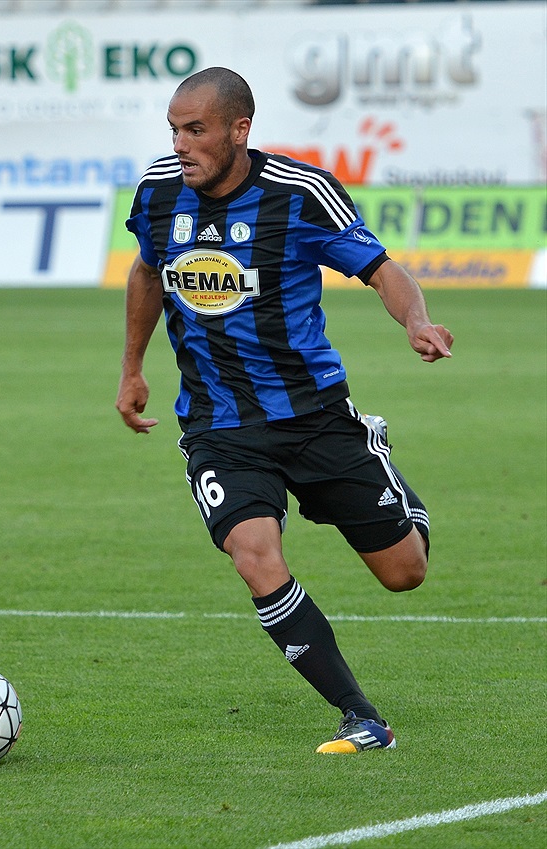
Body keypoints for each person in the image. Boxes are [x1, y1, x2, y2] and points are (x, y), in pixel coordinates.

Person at [116, 67, 453, 753]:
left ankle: (375, 454)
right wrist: (131, 369)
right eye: (175, 129)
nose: (181, 143)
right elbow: (148, 270)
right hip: (218, 425)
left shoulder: (301, 194)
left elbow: (382, 269)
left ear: (239, 130)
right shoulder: (157, 191)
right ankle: (361, 715)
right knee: (255, 555)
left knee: (405, 572)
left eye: (197, 129)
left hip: (312, 415)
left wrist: (416, 321)